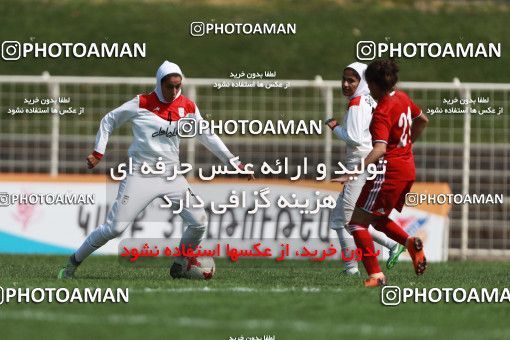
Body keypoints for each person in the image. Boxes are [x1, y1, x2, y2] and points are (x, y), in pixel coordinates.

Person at [58, 60, 252, 279]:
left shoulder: (187, 106)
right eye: (170, 86)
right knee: (115, 229)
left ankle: (179, 266)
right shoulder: (141, 103)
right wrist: (98, 152)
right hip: (140, 174)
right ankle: (72, 264)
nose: (174, 91)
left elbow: (206, 135)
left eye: (178, 86)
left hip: (171, 174)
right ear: (159, 83)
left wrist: (234, 163)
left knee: (198, 222)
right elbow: (109, 120)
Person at [332, 59, 429, 287]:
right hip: (408, 168)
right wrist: (407, 145)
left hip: (389, 172)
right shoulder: (403, 98)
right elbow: (423, 120)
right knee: (377, 218)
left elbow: (379, 149)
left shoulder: (382, 111)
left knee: (356, 223)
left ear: (373, 84)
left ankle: (375, 275)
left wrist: (353, 173)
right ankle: (410, 242)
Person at [326, 62, 405, 276]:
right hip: (365, 163)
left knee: (345, 220)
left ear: (362, 82)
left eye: (351, 80)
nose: (345, 84)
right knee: (342, 219)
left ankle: (353, 268)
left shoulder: (358, 102)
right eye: (344, 79)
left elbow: (354, 138)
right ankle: (389, 247)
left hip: (359, 164)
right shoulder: (366, 99)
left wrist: (335, 127)